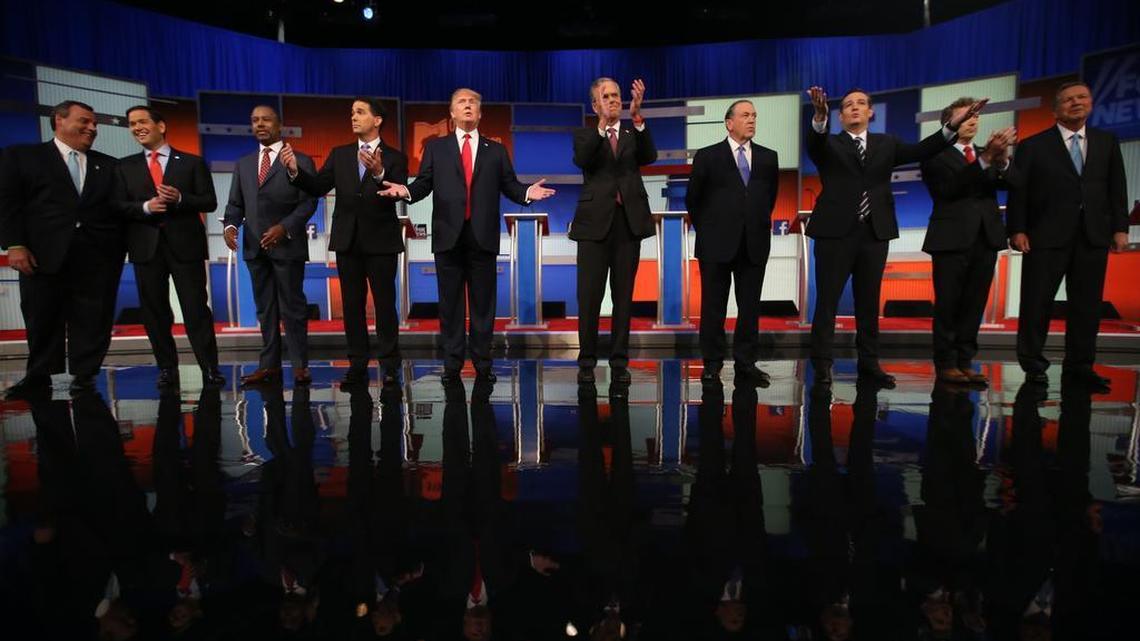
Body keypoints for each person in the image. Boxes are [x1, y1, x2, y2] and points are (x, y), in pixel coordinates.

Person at [804, 86, 986, 387]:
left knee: (868, 301)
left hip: (875, 232)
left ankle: (869, 364)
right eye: (848, 104)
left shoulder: (886, 143)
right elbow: (815, 142)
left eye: (861, 103)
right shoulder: (829, 144)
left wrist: (953, 124)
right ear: (840, 114)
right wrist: (819, 116)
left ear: (870, 112)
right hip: (834, 233)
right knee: (827, 302)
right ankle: (822, 365)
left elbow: (924, 149)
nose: (855, 108)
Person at [378, 88, 554, 384]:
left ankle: (483, 363)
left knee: (484, 305)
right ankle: (452, 363)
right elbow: (423, 184)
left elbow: (510, 185)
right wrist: (405, 191)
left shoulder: (495, 150)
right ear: (452, 113)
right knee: (450, 304)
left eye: (474, 102)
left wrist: (527, 193)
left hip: (482, 236)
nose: (468, 106)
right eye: (462, 102)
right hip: (448, 236)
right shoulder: (437, 147)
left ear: (481, 112)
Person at [1007, 81, 1129, 392]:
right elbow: (1019, 191)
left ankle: (1080, 366)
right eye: (1068, 99)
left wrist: (1120, 228)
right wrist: (1017, 228)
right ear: (1056, 109)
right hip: (1044, 236)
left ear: (1091, 102)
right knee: (1037, 303)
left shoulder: (1106, 141)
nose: (1076, 103)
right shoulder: (1033, 146)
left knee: (1087, 306)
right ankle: (1034, 365)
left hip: (1093, 236)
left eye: (1082, 97)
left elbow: (1117, 188)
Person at [281, 97, 409, 388]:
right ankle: (358, 366)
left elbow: (399, 191)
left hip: (381, 241)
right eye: (352, 113)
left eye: (360, 112)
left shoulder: (395, 157)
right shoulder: (339, 154)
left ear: (377, 120)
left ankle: (389, 366)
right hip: (347, 240)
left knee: (385, 306)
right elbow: (317, 186)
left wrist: (378, 173)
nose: (353, 117)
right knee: (351, 306)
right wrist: (294, 171)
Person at [0, 100, 125, 396]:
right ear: (59, 120)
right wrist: (15, 244)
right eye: (84, 121)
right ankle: (39, 374)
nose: (92, 128)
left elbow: (118, 209)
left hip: (96, 257)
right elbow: (7, 204)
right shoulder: (22, 157)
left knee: (94, 317)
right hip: (41, 255)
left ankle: (85, 374)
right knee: (41, 314)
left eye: (94, 124)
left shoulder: (108, 164)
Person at [118, 105, 224, 388]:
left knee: (195, 310)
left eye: (142, 122)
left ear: (161, 126)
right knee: (154, 312)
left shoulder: (191, 163)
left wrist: (180, 199)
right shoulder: (124, 166)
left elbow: (209, 201)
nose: (137, 127)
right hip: (145, 247)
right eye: (132, 124)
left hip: (185, 246)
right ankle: (167, 369)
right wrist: (145, 206)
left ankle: (210, 368)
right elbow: (117, 206)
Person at [920, 97, 1016, 386]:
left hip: (985, 239)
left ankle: (965, 362)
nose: (973, 121)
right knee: (949, 305)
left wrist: (1001, 160)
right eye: (966, 116)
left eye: (976, 116)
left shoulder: (987, 154)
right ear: (950, 123)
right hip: (950, 240)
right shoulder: (935, 153)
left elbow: (1014, 183)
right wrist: (986, 161)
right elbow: (949, 189)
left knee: (974, 305)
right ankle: (946, 363)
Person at [570, 77, 658, 386]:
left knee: (624, 297)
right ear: (595, 104)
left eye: (616, 95)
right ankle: (587, 362)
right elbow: (583, 159)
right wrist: (601, 128)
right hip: (594, 226)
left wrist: (637, 119)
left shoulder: (634, 133)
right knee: (590, 298)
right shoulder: (585, 134)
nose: (612, 100)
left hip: (628, 224)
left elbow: (650, 157)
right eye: (605, 97)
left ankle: (620, 360)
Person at [222, 105, 317, 386]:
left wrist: (284, 227)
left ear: (279, 124)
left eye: (266, 119)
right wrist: (229, 225)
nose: (260, 124)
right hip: (254, 248)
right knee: (265, 309)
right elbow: (235, 204)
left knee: (293, 308)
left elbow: (309, 201)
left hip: (287, 247)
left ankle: (301, 366)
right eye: (254, 120)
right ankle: (269, 366)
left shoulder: (300, 160)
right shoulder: (244, 164)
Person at [686, 99, 779, 386]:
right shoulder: (707, 156)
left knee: (750, 307)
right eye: (745, 115)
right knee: (714, 306)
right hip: (716, 245)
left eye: (754, 115)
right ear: (729, 122)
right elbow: (694, 200)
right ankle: (712, 364)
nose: (751, 120)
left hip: (754, 243)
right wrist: (712, 230)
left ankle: (746, 363)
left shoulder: (768, 157)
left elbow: (769, 199)